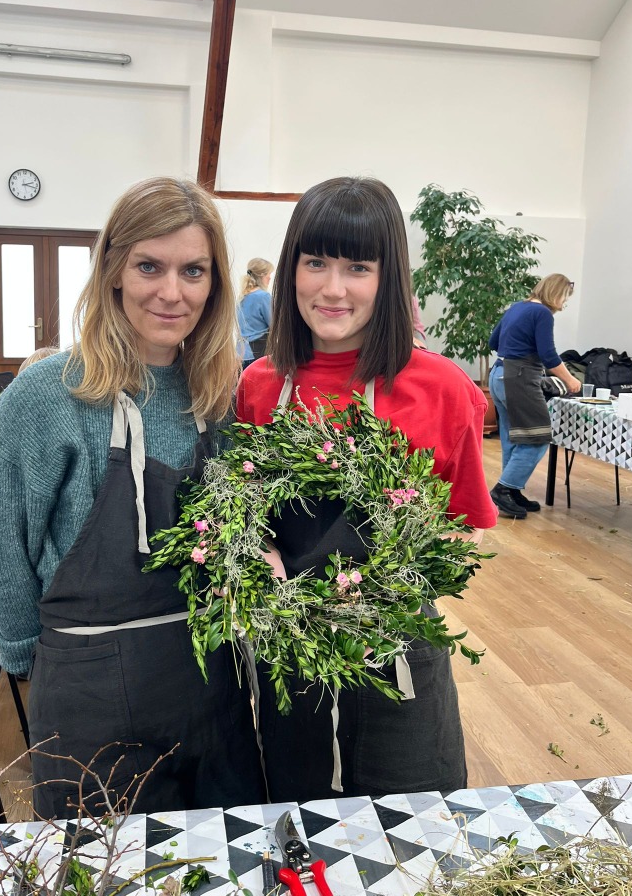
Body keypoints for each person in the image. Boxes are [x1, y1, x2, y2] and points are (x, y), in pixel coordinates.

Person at [0, 177, 265, 819]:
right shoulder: (50, 394)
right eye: (149, 266)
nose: (172, 292)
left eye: (193, 271)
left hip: (208, 681)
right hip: (89, 692)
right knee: (105, 862)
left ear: (215, 285)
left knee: (226, 853)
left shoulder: (217, 393)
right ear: (112, 271)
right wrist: (26, 652)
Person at [236, 176, 497, 802]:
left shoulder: (443, 389)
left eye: (358, 267)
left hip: (399, 644)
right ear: (290, 271)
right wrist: (256, 554)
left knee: (413, 820)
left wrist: (385, 581)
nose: (333, 288)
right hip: (289, 647)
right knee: (297, 817)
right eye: (315, 263)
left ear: (389, 278)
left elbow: (461, 524)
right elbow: (241, 507)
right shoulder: (259, 385)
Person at [487, 274, 581, 519]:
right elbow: (549, 356)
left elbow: (493, 341)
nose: (564, 303)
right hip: (519, 378)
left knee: (513, 437)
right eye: (565, 297)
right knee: (537, 438)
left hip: (498, 375)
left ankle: (512, 491)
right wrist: (570, 380)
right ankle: (503, 490)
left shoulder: (517, 307)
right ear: (555, 293)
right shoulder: (542, 314)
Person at [236, 257, 273, 366]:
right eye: (268, 274)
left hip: (240, 353)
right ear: (262, 275)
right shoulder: (263, 297)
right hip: (259, 352)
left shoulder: (241, 297)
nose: (270, 278)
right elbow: (275, 325)